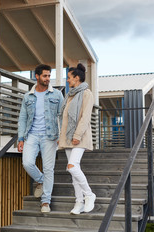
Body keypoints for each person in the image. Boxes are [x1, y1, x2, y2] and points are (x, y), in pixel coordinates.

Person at [18, 64, 64, 213]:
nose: (47, 79)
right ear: (37, 76)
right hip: (31, 134)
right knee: (27, 163)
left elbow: (62, 116)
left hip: (50, 136)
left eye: (49, 76)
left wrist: (61, 135)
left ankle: (45, 202)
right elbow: (23, 118)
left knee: (48, 168)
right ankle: (41, 180)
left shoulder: (57, 95)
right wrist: (20, 138)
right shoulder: (28, 96)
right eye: (45, 76)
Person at [58, 63, 96, 215]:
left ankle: (89, 194)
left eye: (69, 78)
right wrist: (61, 135)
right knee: (73, 171)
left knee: (72, 166)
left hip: (79, 137)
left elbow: (85, 117)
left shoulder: (87, 94)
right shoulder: (70, 95)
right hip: (68, 137)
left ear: (77, 78)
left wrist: (77, 135)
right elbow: (64, 118)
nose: (67, 80)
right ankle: (79, 201)